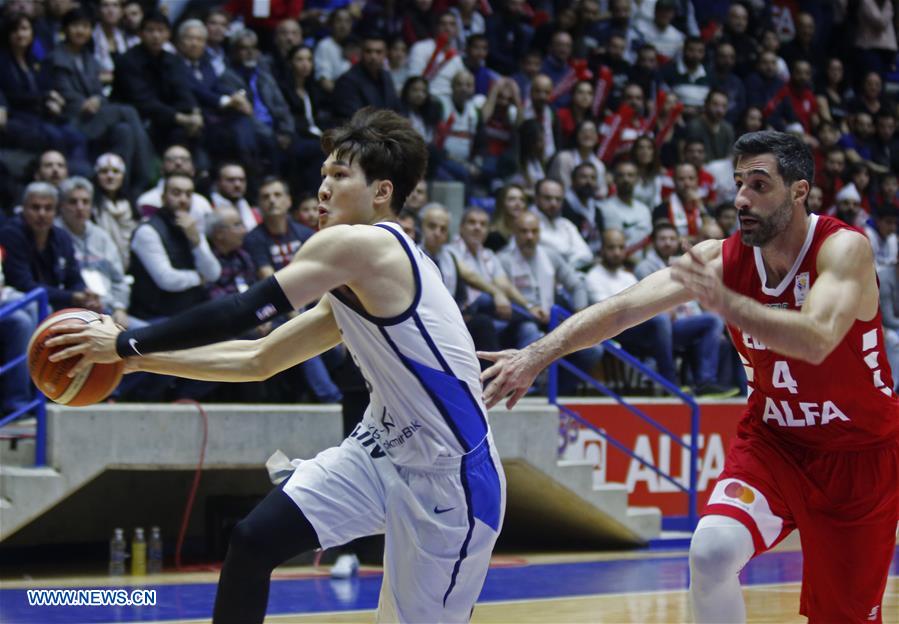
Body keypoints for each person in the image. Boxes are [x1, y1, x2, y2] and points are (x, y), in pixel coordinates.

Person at [47, 108, 506, 624]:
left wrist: (127, 342)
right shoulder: (356, 281)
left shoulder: (368, 246)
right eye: (323, 175)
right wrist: (143, 361)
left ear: (381, 191)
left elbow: (246, 309)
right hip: (380, 447)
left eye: (339, 176)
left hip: (451, 477)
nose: (323, 189)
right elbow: (259, 357)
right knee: (252, 540)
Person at [480, 131, 899, 624]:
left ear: (799, 191)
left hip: (858, 457)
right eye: (739, 182)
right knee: (712, 551)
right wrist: (536, 354)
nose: (741, 197)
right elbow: (621, 310)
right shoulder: (720, 257)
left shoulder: (844, 250)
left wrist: (728, 303)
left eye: (759, 185)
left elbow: (816, 338)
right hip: (774, 443)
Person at [0, 181, 101, 313]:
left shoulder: (62, 237)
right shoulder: (11, 234)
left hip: (58, 302)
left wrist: (85, 294)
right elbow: (23, 284)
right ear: (24, 208)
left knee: (103, 315)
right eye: (35, 208)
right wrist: (71, 297)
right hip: (23, 303)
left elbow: (74, 278)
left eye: (48, 208)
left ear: (56, 211)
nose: (42, 214)